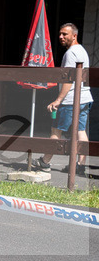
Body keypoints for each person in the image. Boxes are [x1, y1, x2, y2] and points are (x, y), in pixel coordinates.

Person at [35, 23, 92, 173]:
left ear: (74, 36)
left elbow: (68, 80)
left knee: (56, 131)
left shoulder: (71, 53)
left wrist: (58, 100)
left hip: (70, 99)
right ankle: (80, 165)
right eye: (60, 34)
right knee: (81, 130)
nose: (61, 37)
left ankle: (44, 162)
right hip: (84, 97)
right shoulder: (82, 51)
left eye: (65, 34)